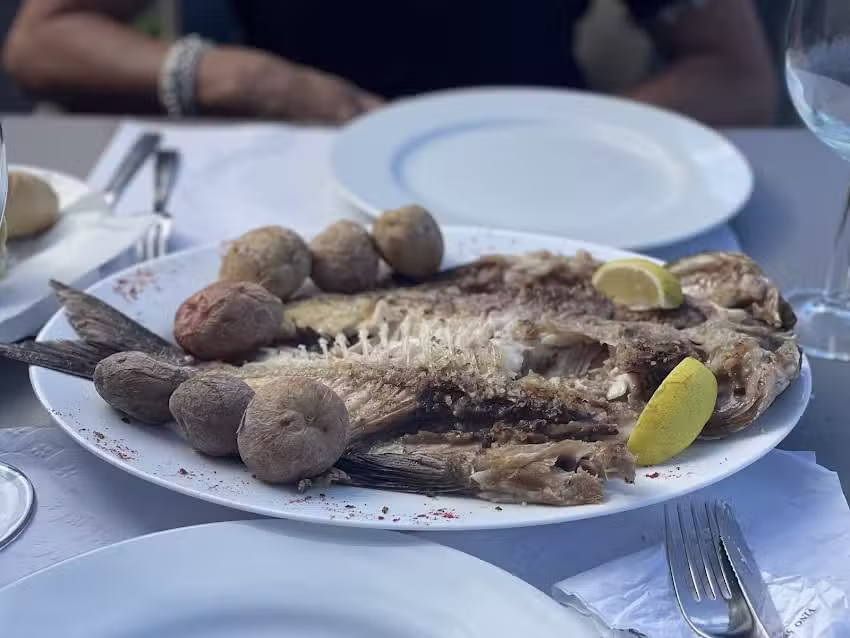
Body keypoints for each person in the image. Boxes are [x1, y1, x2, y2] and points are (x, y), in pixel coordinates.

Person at [3, 0, 777, 126]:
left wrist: (567, 135)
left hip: (543, 188)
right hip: (292, 166)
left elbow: (737, 77)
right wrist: (252, 80)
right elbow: (44, 38)